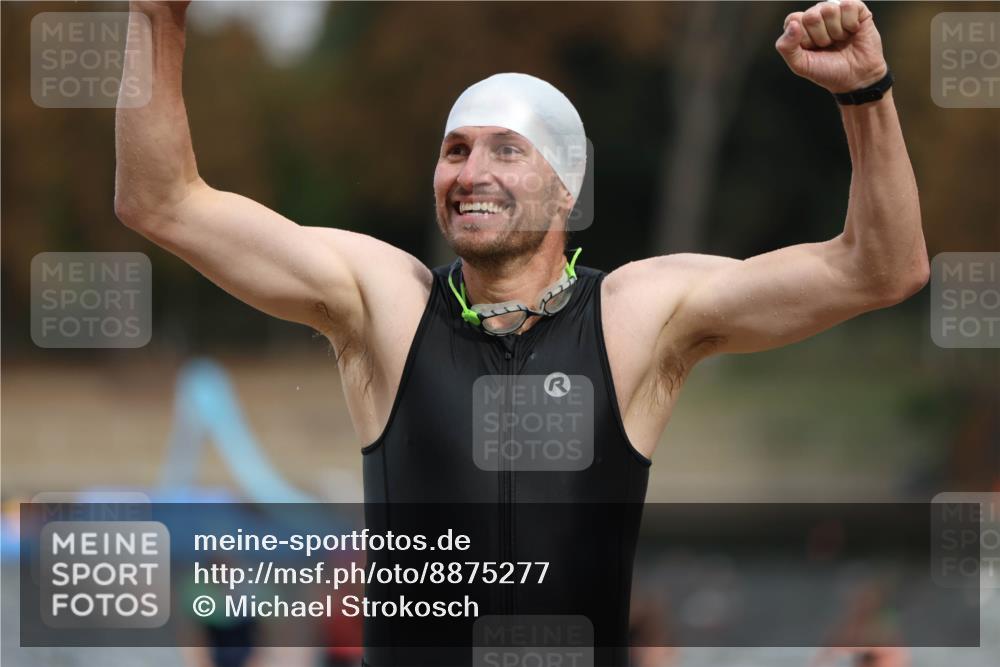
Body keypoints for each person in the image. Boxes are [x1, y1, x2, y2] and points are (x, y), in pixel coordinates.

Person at [116, 1, 928, 665]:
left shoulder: (640, 317)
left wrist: (866, 94)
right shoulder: (384, 305)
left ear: (566, 187)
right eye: (455, 150)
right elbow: (162, 200)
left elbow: (881, 268)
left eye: (507, 150)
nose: (471, 173)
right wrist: (158, 15)